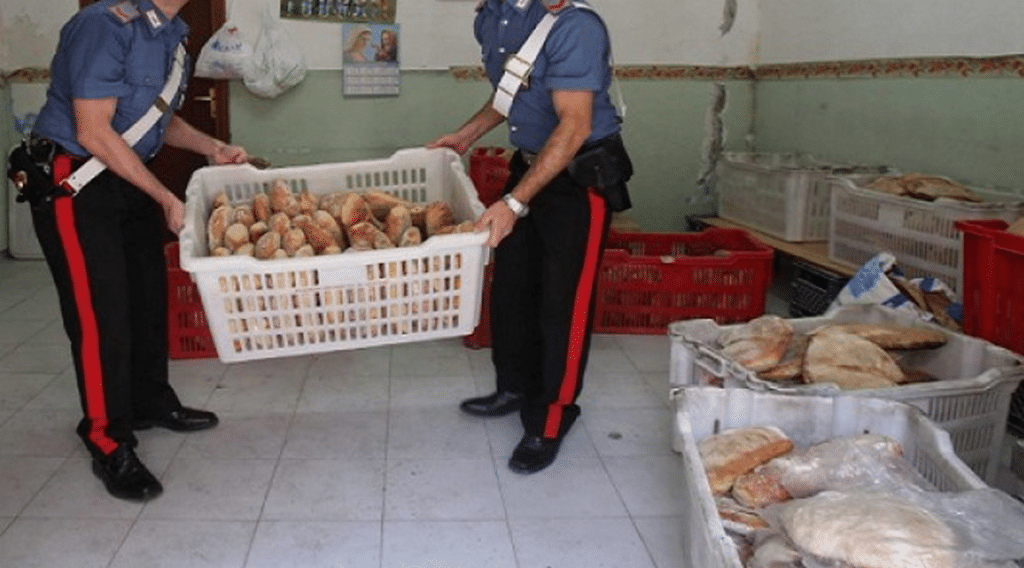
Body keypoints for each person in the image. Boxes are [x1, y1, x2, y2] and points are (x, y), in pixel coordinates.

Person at [8, 0, 247, 501]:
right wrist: (163, 195)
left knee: (145, 298)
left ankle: (150, 400)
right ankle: (105, 435)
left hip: (124, 177)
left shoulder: (171, 34)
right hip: (74, 182)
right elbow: (93, 130)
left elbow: (156, 120)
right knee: (102, 316)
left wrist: (212, 148)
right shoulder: (103, 26)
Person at [428, 0, 632, 475]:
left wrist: (514, 203)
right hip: (531, 167)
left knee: (563, 304)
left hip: (580, 177)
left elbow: (575, 124)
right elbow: (509, 94)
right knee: (512, 289)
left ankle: (552, 418)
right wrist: (465, 135)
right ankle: (515, 387)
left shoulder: (575, 26)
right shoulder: (494, 16)